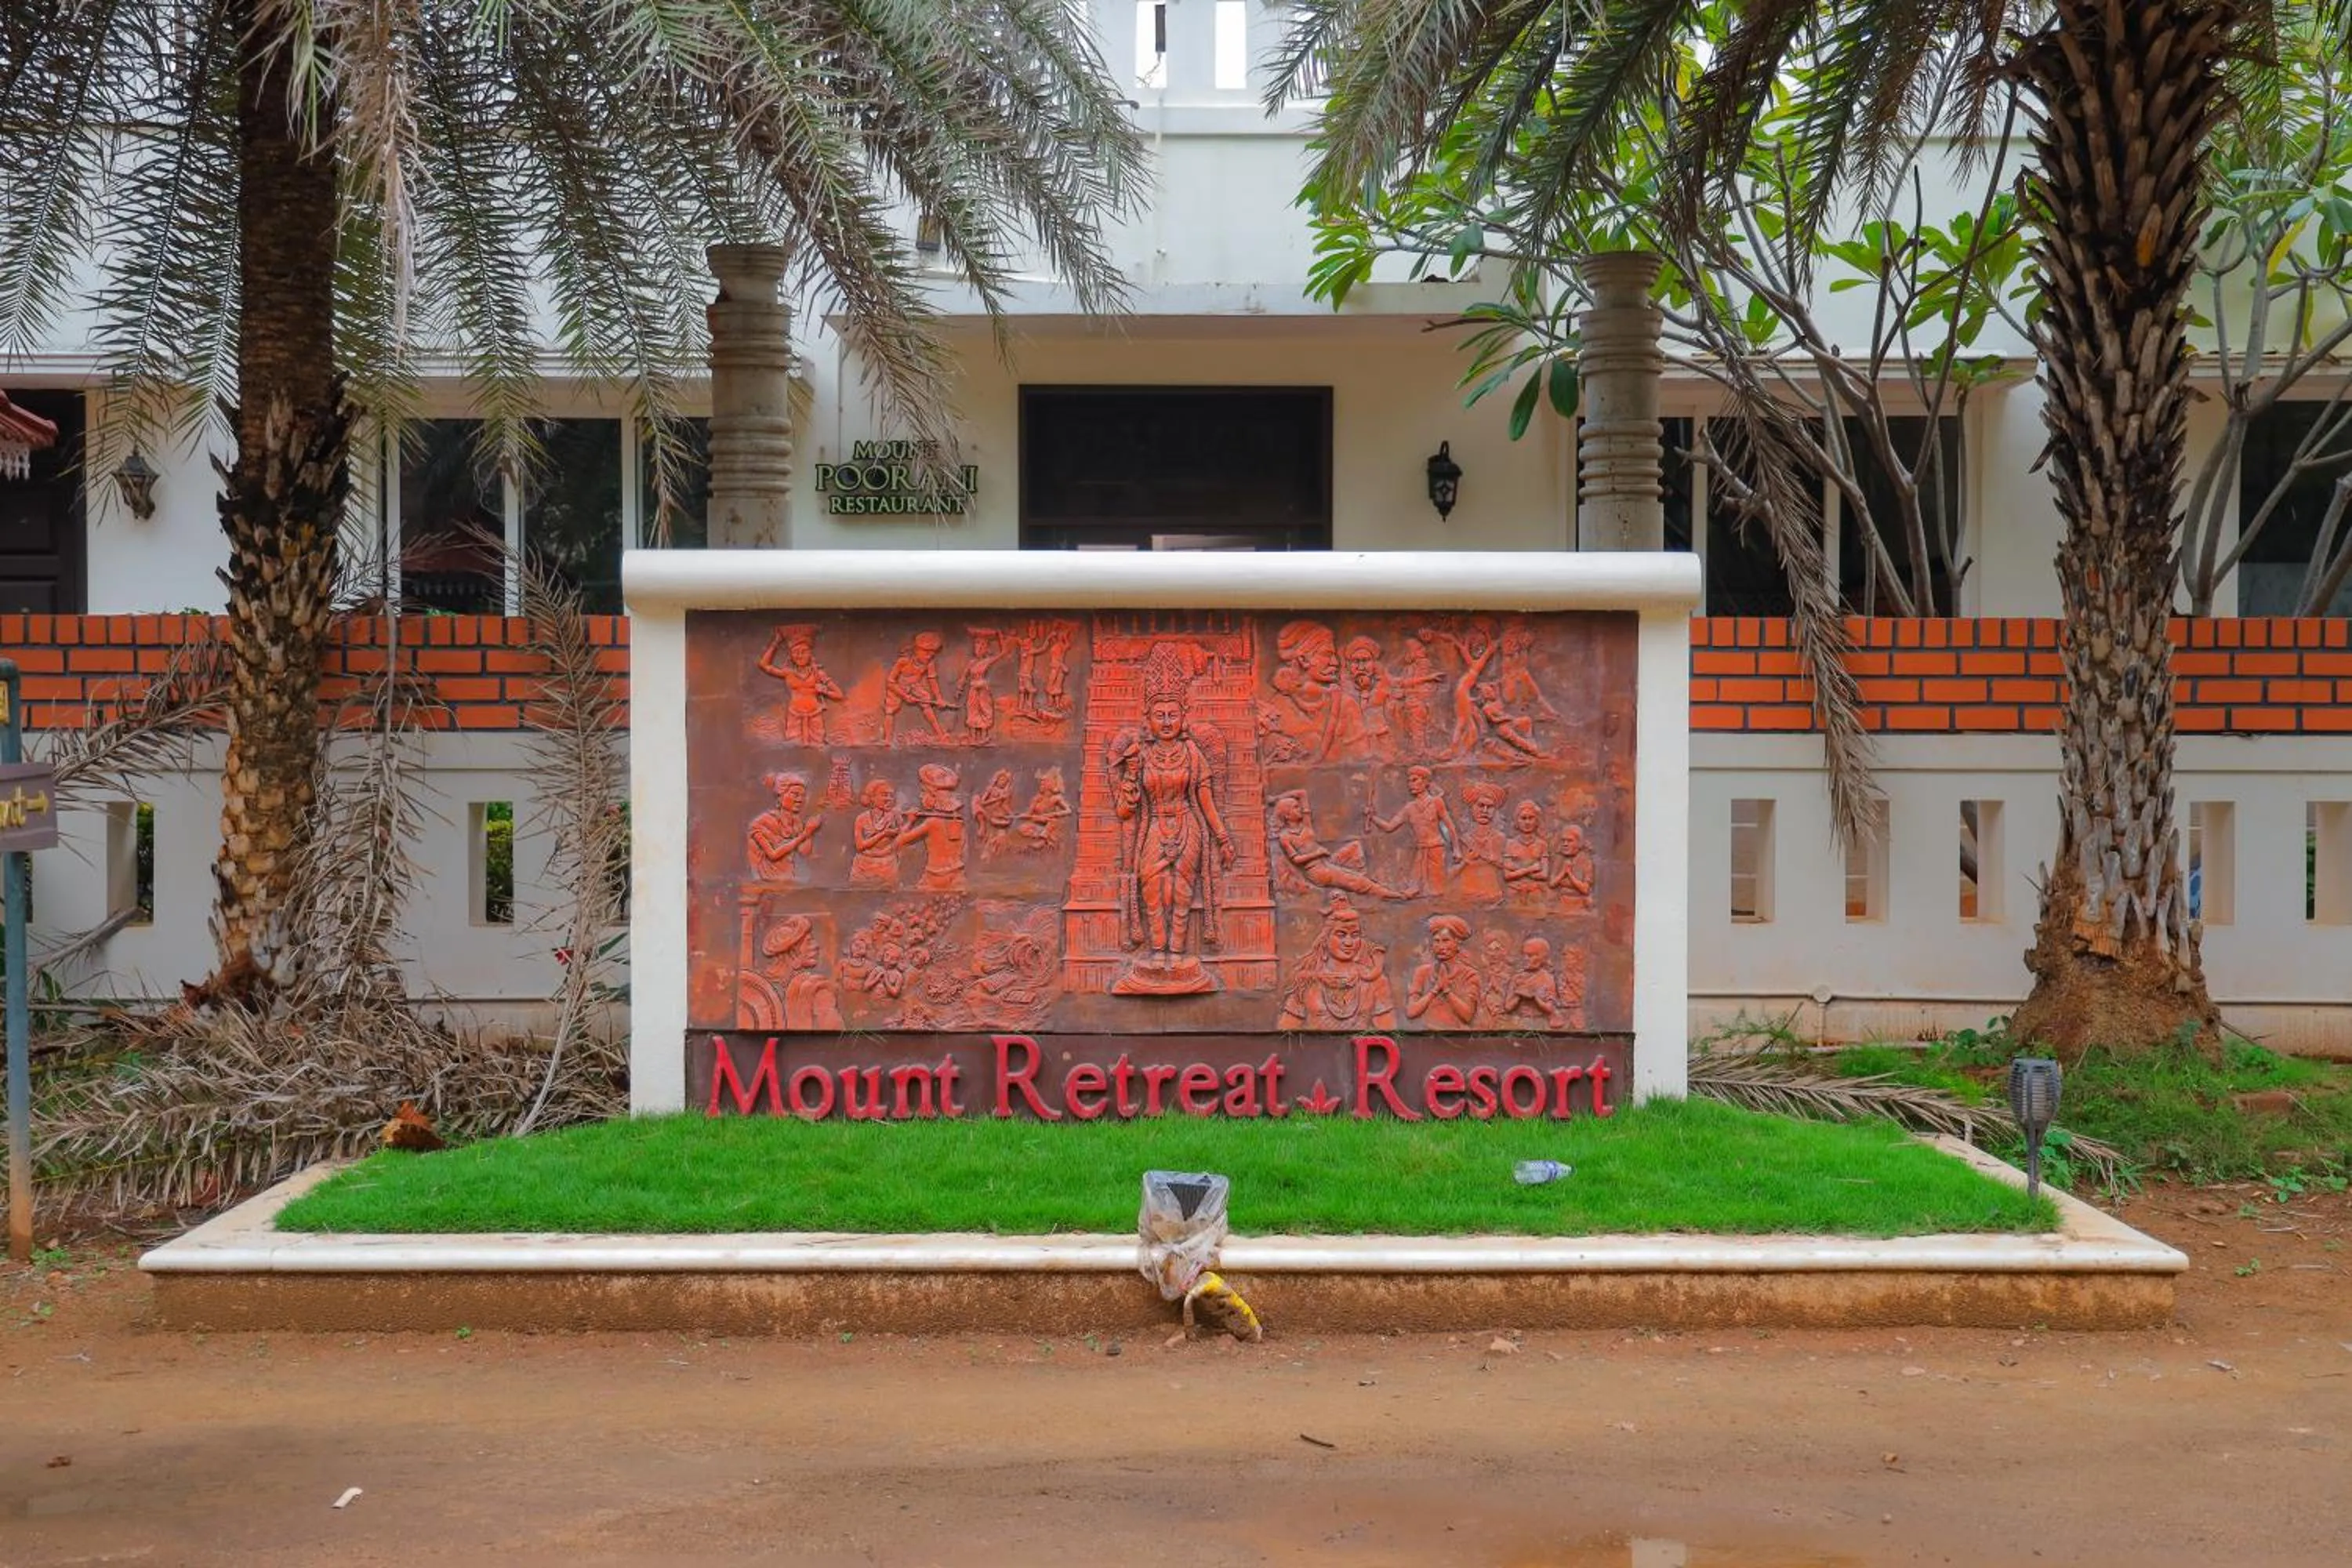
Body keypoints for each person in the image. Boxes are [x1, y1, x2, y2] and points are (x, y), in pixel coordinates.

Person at [1108, 644, 1236, 994]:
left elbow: (1206, 801)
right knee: (1153, 892)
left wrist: (1223, 838)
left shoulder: (1192, 753)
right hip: (1154, 828)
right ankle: (1157, 953)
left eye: (1172, 715)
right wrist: (1131, 776)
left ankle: (1177, 958)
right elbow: (1124, 810)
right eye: (1159, 715)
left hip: (1186, 824)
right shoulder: (1142, 755)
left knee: (1180, 894)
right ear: (1148, 719)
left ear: (1183, 716)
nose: (1166, 722)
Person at [1276, 897, 1397, 1030]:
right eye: (1341, 935)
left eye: (1355, 935)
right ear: (1325, 938)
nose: (1349, 942)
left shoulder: (1376, 982)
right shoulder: (1307, 980)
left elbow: (1389, 1030)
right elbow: (1285, 1030)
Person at [1269, 789, 1403, 900]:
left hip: (1327, 862)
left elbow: (1302, 793)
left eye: (1299, 806)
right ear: (1286, 815)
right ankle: (1388, 894)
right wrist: (1318, 853)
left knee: (1354, 847)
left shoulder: (1306, 825)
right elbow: (1296, 859)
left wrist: (1276, 798)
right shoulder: (1285, 836)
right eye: (1295, 807)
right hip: (1317, 872)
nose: (1300, 809)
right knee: (1356, 881)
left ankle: (1363, 882)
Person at [1367, 765, 1456, 897]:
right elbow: (1389, 827)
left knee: (1438, 889)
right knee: (1414, 888)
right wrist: (1372, 817)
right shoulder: (1409, 808)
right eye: (1409, 781)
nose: (1411, 785)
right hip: (1421, 850)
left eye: (1415, 780)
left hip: (1436, 849)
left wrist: (1457, 849)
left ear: (1426, 782)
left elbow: (1450, 826)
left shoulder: (1436, 802)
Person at [757, 626, 843, 745]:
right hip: (794, 716)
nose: (800, 655)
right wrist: (776, 642)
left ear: (810, 653)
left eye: (804, 652)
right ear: (791, 655)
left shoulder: (818, 674)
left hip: (815, 716)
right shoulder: (788, 673)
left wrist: (824, 691)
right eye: (795, 652)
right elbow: (764, 665)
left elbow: (839, 695)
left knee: (818, 747)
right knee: (793, 748)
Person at [892, 764, 967, 891]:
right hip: (957, 876)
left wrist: (910, 822)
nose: (921, 796)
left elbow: (898, 843)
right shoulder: (959, 821)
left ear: (932, 795)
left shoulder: (932, 823)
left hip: (935, 877)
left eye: (923, 791)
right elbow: (963, 851)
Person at [1404, 914, 1482, 1029]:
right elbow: (1411, 1012)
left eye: (1446, 941)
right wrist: (1435, 990)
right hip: (1427, 1035)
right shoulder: (1422, 972)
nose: (1441, 947)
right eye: (1437, 941)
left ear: (1457, 944)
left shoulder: (1470, 975)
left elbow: (1468, 1016)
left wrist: (1447, 991)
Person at [746, 772, 821, 882]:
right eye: (795, 795)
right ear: (780, 796)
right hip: (766, 882)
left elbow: (804, 852)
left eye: (803, 796)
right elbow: (773, 854)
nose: (800, 800)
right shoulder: (762, 823)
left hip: (788, 879)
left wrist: (809, 832)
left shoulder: (796, 822)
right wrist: (805, 834)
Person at [884, 631, 952, 744]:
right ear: (916, 650)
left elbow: (932, 680)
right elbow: (890, 682)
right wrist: (905, 696)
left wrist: (939, 698)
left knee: (926, 698)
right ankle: (887, 739)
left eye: (932, 654)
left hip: (914, 686)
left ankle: (940, 734)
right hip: (898, 687)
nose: (929, 656)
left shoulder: (929, 664)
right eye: (926, 652)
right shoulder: (903, 661)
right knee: (890, 710)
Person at [1453, 781, 1507, 902]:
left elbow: (1510, 868)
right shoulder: (1463, 840)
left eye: (1490, 807)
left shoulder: (1500, 838)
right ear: (1472, 808)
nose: (1485, 810)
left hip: (1493, 896)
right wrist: (1466, 861)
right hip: (1466, 897)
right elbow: (1448, 875)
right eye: (1481, 805)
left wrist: (1494, 860)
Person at [848, 779, 903, 887]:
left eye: (891, 796)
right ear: (872, 797)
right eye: (884, 795)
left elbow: (903, 839)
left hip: (887, 865)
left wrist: (909, 821)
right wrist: (883, 834)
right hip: (863, 866)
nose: (888, 799)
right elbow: (860, 846)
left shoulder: (895, 817)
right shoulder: (862, 818)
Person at [1502, 800, 1551, 899]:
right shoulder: (1510, 844)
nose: (1527, 822)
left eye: (1531, 818)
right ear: (1517, 821)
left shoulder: (1542, 845)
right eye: (1523, 818)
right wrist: (1531, 869)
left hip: (1535, 892)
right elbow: (1507, 875)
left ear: (1537, 821)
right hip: (1514, 891)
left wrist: (1516, 869)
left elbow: (1544, 875)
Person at [972, 767, 1016, 857]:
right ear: (996, 779)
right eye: (1001, 779)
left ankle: (996, 852)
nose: (1003, 782)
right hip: (989, 812)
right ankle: (982, 827)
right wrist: (997, 799)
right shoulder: (991, 789)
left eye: (1006, 781)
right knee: (976, 801)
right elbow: (983, 803)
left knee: (1001, 838)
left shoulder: (1006, 793)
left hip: (1000, 815)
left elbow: (1005, 806)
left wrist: (1011, 814)